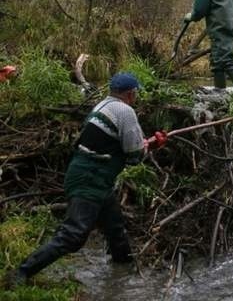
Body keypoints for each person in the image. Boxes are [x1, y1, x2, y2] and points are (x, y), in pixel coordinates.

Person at [9, 72, 167, 285]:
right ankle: (23, 272)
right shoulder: (125, 111)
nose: (136, 96)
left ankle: (123, 273)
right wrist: (150, 146)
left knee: (115, 229)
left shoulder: (103, 105)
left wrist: (146, 145)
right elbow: (134, 156)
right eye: (136, 93)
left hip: (90, 176)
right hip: (90, 179)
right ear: (130, 94)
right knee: (73, 235)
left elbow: (118, 144)